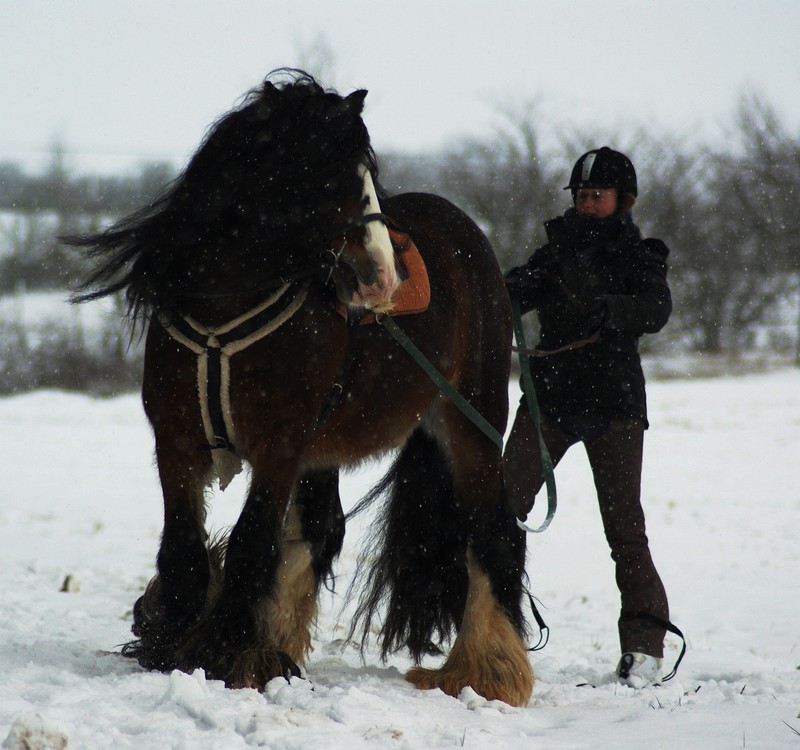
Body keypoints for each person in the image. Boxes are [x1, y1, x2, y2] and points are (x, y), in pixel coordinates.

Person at [503, 146, 672, 687]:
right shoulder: (552, 255)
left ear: (622, 200)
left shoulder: (640, 257)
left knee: (625, 527)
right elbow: (512, 294)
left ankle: (644, 646)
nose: (586, 202)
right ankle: (490, 624)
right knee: (500, 504)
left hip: (615, 406)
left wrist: (613, 309)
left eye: (596, 194)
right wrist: (493, 289)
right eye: (580, 194)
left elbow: (656, 309)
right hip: (550, 401)